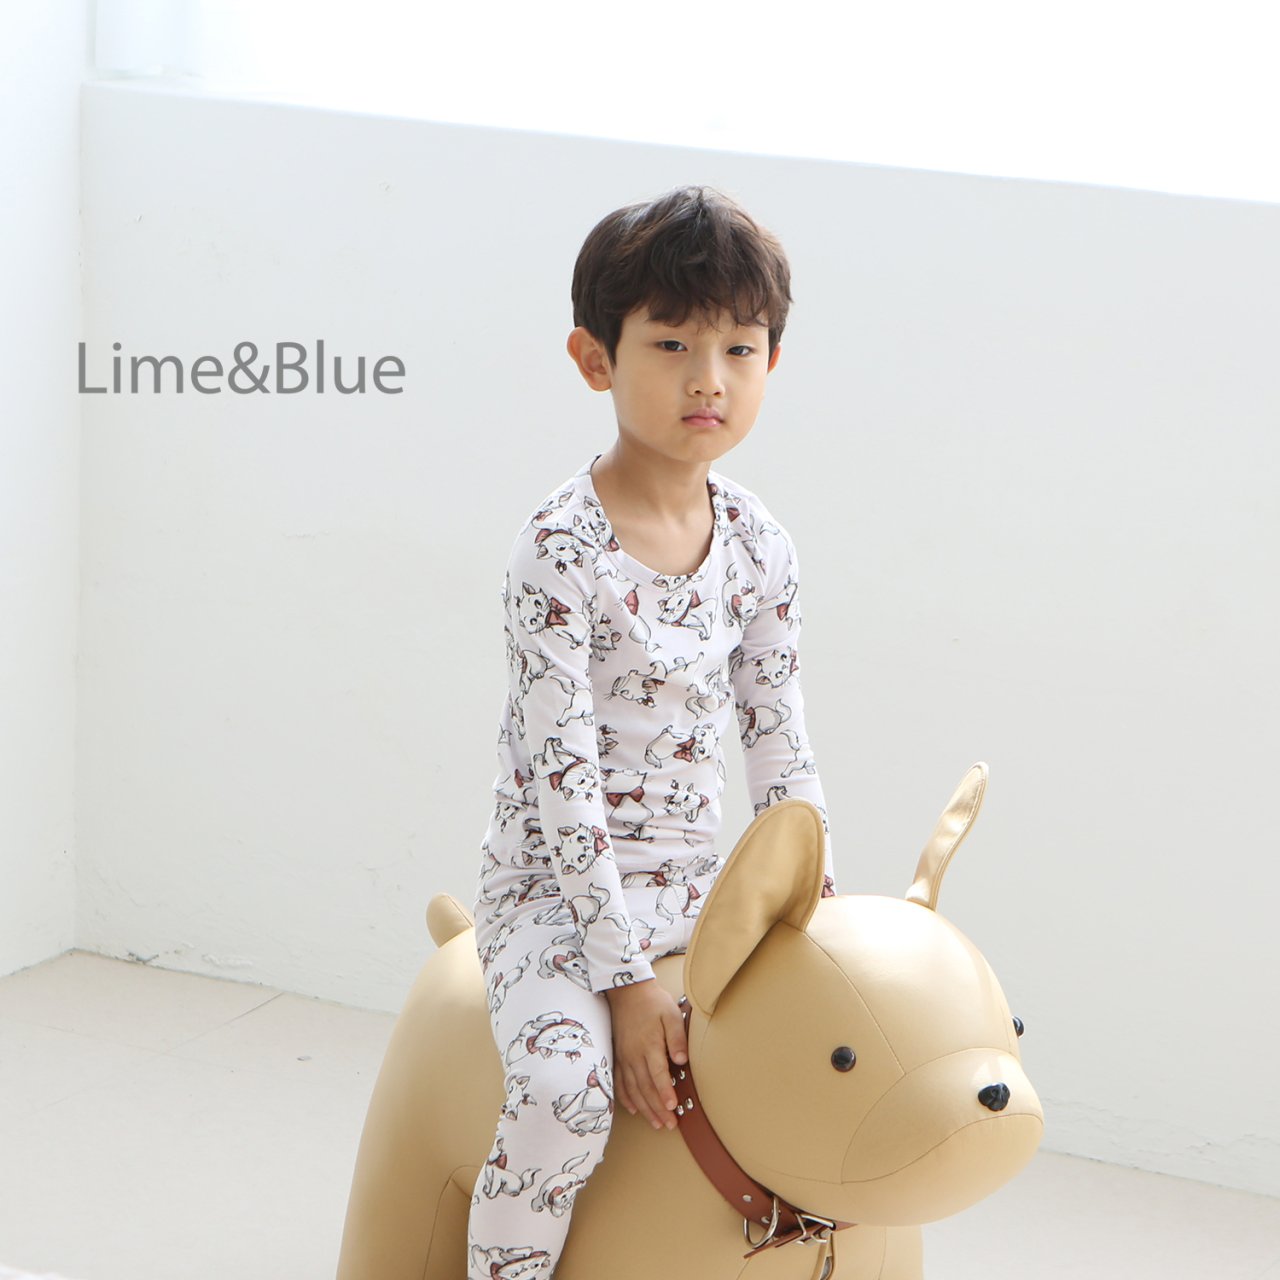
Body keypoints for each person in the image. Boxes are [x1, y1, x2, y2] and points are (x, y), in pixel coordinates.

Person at [467, 184, 837, 1280]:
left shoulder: (761, 543)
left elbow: (779, 740)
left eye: (738, 348)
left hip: (698, 888)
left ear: (771, 362)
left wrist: (810, 901)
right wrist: (625, 982)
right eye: (671, 344)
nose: (707, 377)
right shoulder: (558, 550)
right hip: (554, 893)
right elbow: (563, 782)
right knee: (564, 1096)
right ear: (595, 359)